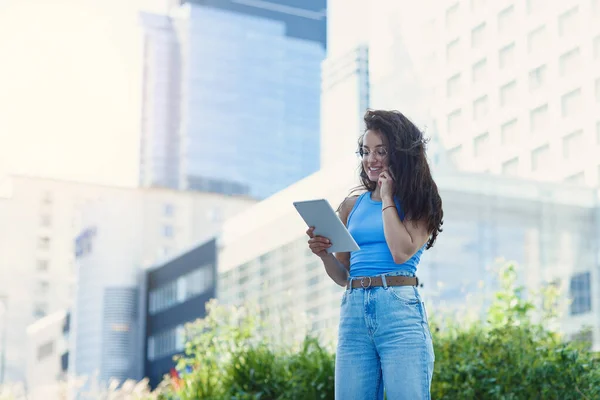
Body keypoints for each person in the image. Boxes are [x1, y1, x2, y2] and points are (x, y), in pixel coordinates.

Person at [306, 109, 443, 399]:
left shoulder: (420, 200)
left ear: (400, 155)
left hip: (399, 312)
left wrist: (387, 196)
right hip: (354, 311)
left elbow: (399, 251)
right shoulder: (350, 206)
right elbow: (344, 276)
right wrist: (324, 254)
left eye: (381, 151)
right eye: (366, 151)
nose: (371, 159)